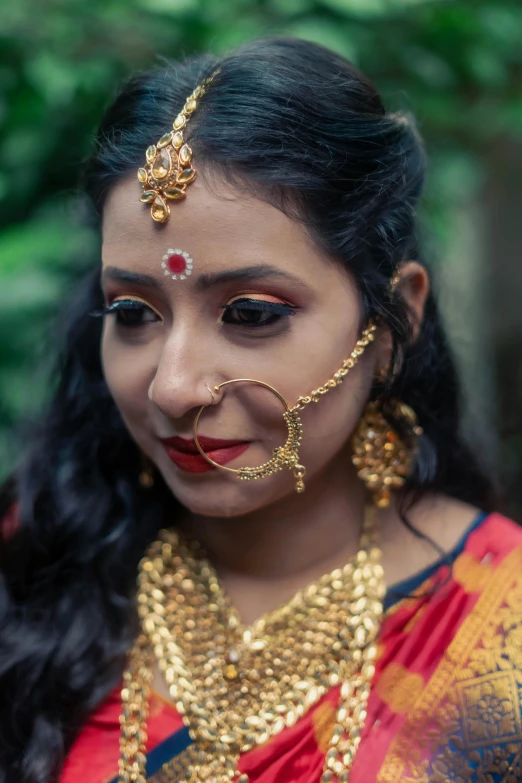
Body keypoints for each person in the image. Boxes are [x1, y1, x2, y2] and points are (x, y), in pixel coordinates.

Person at [1, 35, 521, 783]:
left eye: (249, 313)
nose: (174, 387)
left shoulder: (501, 622)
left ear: (393, 327)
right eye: (134, 312)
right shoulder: (31, 569)